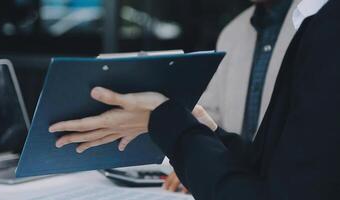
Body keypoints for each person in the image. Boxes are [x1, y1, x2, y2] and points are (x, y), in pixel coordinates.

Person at [49, 0, 340, 199]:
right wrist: (198, 130)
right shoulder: (314, 22)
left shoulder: (328, 29)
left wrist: (169, 123)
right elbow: (281, 171)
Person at [165, 0, 299, 192]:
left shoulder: (318, 24)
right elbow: (212, 112)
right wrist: (193, 160)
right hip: (233, 182)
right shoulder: (232, 32)